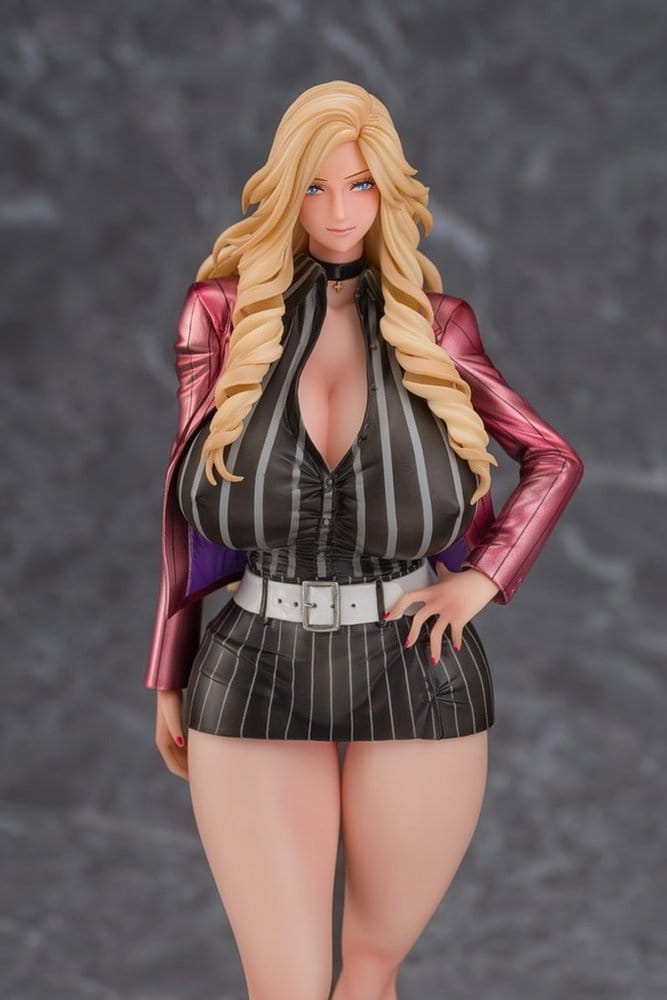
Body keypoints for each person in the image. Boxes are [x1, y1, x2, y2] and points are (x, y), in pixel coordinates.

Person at [144, 81, 584, 1000]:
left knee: (371, 968)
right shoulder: (221, 316)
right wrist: (168, 669)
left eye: (359, 186)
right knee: (286, 986)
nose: (339, 211)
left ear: (388, 192)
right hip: (254, 659)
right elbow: (182, 506)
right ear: (285, 190)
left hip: (414, 663)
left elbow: (551, 458)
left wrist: (482, 580)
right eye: (315, 187)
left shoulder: (436, 325)